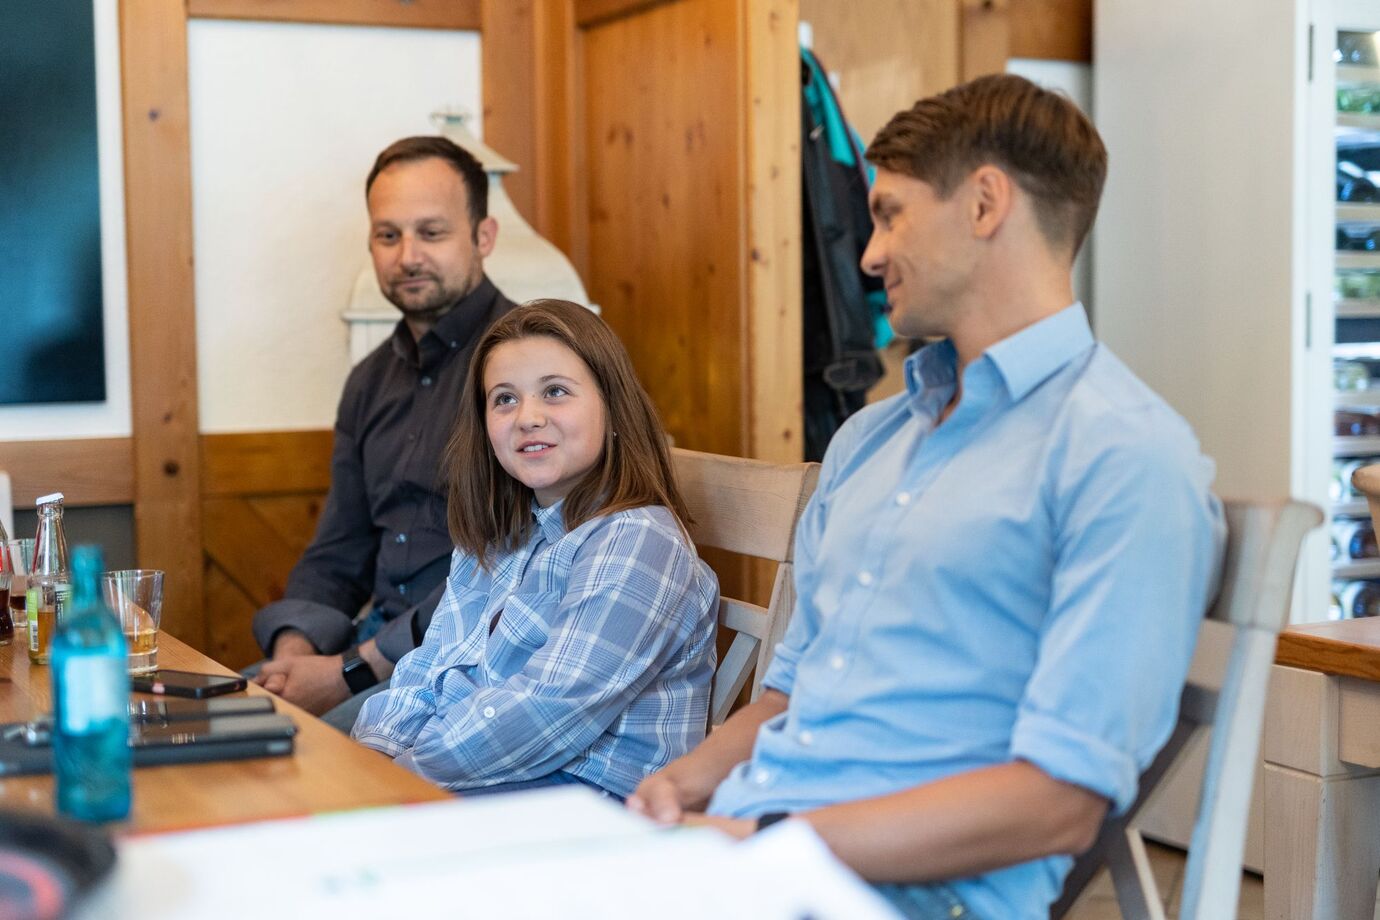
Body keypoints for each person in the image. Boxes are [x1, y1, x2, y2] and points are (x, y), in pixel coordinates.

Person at [627, 74, 1226, 920]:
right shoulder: (869, 443)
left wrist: (769, 841)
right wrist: (679, 786)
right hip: (748, 860)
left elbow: (1061, 801)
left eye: (889, 214)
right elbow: (787, 696)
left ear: (984, 204)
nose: (868, 258)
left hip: (899, 895)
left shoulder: (1125, 455)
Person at [352, 299, 718, 798]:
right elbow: (429, 666)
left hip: (586, 804)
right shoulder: (498, 538)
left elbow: (549, 709)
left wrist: (405, 774)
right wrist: (375, 752)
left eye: (555, 392)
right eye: (504, 399)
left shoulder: (637, 539)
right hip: (473, 778)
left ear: (612, 408)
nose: (527, 417)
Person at [251, 136, 516, 730]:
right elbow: (338, 547)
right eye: (388, 235)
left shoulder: (523, 367)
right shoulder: (369, 381)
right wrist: (294, 653)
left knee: (281, 753)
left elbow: (510, 570)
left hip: (468, 670)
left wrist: (349, 670)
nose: (408, 256)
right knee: (208, 720)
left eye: (432, 232)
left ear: (483, 237)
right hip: (364, 654)